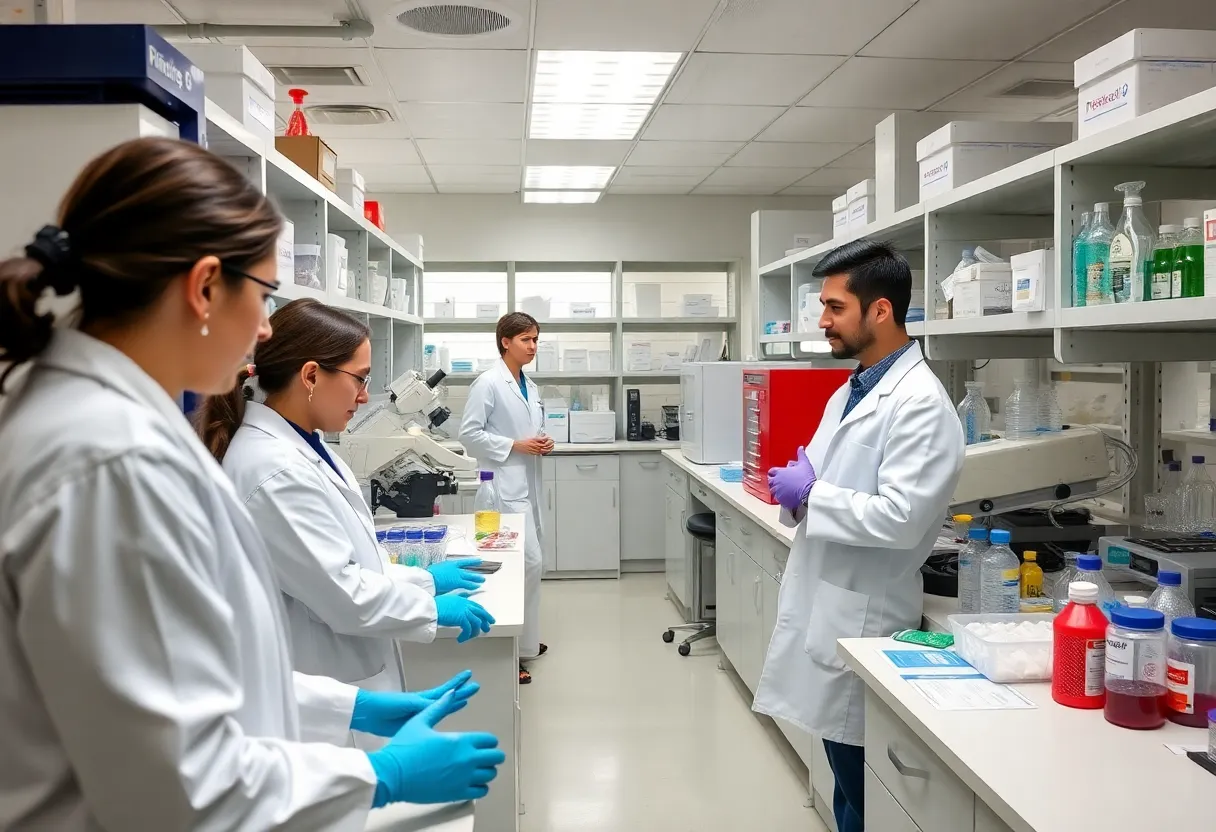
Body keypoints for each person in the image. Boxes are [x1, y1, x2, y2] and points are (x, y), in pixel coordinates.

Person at [0, 137, 502, 829]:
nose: (267, 329)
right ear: (205, 286)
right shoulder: (113, 465)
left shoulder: (82, 420)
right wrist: (374, 776)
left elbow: (187, 681)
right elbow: (183, 789)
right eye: (264, 295)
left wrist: (346, 708)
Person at [196, 298, 495, 737]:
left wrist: (427, 580)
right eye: (360, 378)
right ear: (312, 375)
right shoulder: (272, 470)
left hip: (345, 668)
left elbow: (347, 568)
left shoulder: (309, 447)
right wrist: (430, 607)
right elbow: (346, 596)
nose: (364, 395)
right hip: (322, 694)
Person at [751, 239, 964, 832]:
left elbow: (901, 518)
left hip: (864, 615)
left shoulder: (921, 403)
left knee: (862, 787)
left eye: (834, 307)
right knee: (846, 776)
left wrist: (811, 494)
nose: (822, 321)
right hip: (828, 603)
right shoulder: (853, 388)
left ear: (880, 311)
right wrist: (799, 492)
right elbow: (819, 478)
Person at [459, 311, 553, 684]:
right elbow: (469, 434)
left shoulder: (529, 384)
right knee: (521, 567)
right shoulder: (488, 383)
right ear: (505, 342)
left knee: (532, 567)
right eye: (526, 340)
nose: (533, 347)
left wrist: (542, 440)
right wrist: (515, 445)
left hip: (527, 487)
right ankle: (507, 652)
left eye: (535, 341)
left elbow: (532, 427)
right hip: (500, 490)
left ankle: (525, 644)